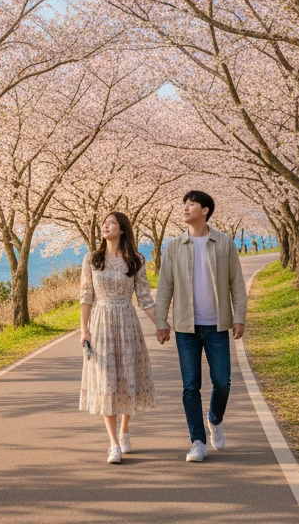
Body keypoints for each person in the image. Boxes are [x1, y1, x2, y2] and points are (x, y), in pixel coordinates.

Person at [155, 190, 247, 463]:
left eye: (191, 203)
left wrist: (239, 317)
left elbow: (237, 284)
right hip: (186, 328)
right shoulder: (174, 246)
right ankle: (197, 441)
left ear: (205, 210)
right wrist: (162, 323)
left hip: (217, 325)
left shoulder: (224, 243)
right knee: (190, 386)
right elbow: (164, 288)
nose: (185, 208)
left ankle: (214, 419)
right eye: (184, 203)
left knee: (222, 382)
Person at [80, 211, 157, 464]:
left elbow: (144, 297)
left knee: (126, 377)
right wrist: (84, 329)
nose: (106, 225)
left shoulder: (136, 260)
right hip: (101, 322)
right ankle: (113, 444)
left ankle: (125, 430)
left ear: (122, 229)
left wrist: (163, 326)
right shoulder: (93, 259)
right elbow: (86, 296)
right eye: (104, 222)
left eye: (111, 222)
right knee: (106, 381)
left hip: (127, 322)